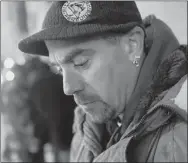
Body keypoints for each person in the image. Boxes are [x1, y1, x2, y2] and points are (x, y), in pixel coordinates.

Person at [18, 1, 187, 162]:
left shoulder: (180, 136)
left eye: (81, 62)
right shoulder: (86, 126)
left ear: (132, 45)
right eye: (59, 69)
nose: (68, 88)